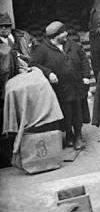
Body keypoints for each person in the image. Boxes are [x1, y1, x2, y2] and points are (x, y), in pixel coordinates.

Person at [32, 21, 92, 150]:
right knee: (66, 113)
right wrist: (48, 73)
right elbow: (34, 64)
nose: (66, 35)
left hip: (76, 86)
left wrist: (86, 76)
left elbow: (84, 60)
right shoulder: (42, 49)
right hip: (60, 89)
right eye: (63, 33)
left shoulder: (72, 45)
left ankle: (78, 136)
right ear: (54, 36)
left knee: (78, 113)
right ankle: (69, 135)